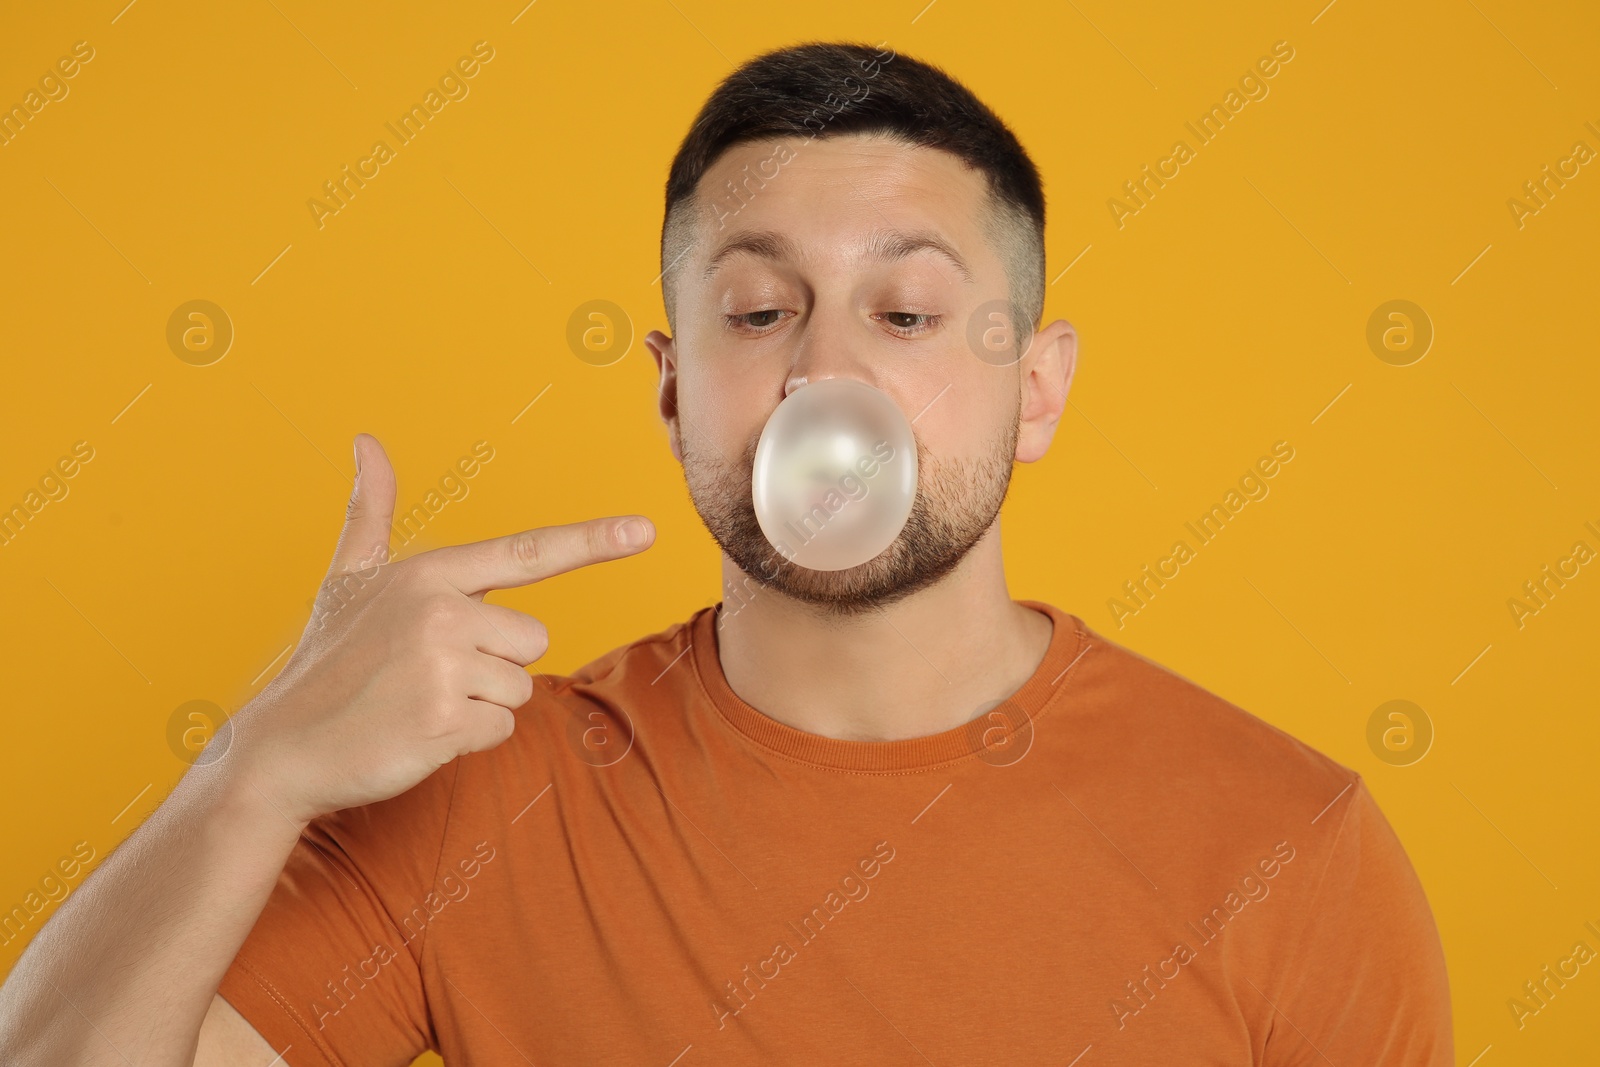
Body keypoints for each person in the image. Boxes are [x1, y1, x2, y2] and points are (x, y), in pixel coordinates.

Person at [0, 41, 1452, 1065]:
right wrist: (254, 767)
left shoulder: (1287, 849)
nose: (828, 376)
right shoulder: (489, 807)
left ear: (1038, 385)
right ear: (674, 385)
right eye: (759, 312)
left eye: (907, 313)